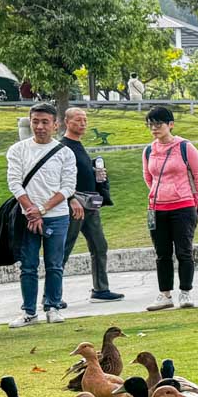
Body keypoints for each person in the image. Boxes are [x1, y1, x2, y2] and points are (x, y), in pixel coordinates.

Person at [6, 103, 76, 328]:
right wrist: (31, 211)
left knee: (54, 264)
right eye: (35, 121)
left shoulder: (65, 153)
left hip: (56, 215)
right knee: (28, 264)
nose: (40, 126)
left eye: (45, 122)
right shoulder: (18, 150)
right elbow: (14, 182)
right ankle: (29, 311)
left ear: (55, 125)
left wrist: (43, 210)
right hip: (28, 216)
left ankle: (53, 306)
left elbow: (67, 187)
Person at [142, 106, 198, 311]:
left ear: (170, 124)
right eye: (150, 124)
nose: (154, 128)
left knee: (184, 251)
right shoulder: (149, 150)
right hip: (157, 208)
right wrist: (159, 195)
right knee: (162, 253)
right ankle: (165, 293)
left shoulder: (185, 147)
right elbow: (148, 177)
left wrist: (191, 201)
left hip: (183, 207)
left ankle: (185, 292)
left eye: (158, 124)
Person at [59, 108, 122, 303]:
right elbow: (58, 177)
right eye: (78, 120)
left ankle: (101, 289)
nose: (83, 123)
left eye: (85, 120)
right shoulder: (62, 147)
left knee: (99, 245)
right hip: (75, 204)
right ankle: (52, 295)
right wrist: (70, 199)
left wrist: (97, 176)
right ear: (66, 122)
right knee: (64, 249)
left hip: (90, 204)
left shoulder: (79, 146)